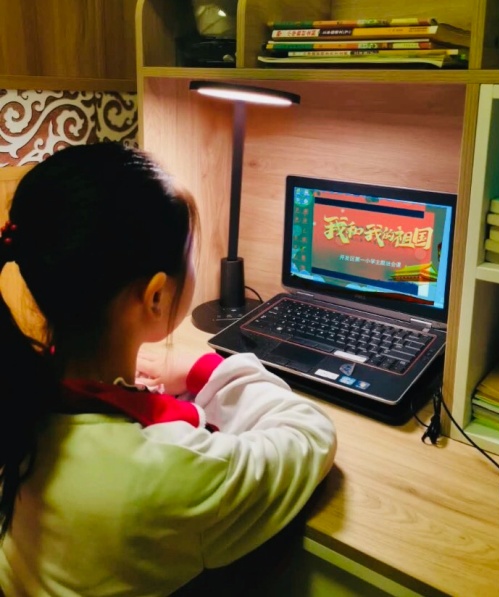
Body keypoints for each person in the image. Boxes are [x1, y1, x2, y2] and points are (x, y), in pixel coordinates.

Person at [0, 142, 337, 596]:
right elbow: (310, 435)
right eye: (191, 255)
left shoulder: (21, 396)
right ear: (156, 296)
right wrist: (204, 368)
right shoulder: (165, 471)